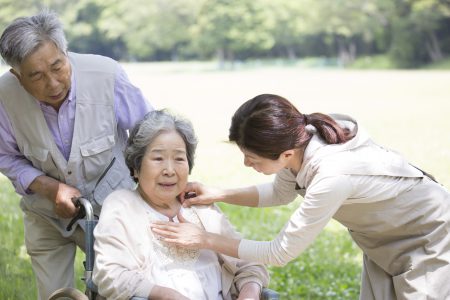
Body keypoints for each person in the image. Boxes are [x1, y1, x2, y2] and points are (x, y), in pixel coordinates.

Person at [151, 94, 450, 299]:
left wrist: (204, 239)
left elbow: (279, 252)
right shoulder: (300, 142)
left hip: (428, 238)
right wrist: (219, 193)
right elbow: (280, 192)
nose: (246, 164)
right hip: (384, 240)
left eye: (251, 157)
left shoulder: (333, 175)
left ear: (286, 154)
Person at [0, 10, 153, 299]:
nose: (53, 83)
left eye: (58, 66)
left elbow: (152, 134)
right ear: (17, 76)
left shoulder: (106, 74)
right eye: (36, 76)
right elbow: (5, 156)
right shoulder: (3, 96)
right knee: (55, 296)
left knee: (121, 291)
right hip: (45, 215)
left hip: (113, 211)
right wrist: (48, 187)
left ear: (65, 52)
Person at [92, 109, 269, 300]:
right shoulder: (122, 206)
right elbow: (110, 275)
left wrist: (249, 291)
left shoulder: (199, 205)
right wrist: (167, 295)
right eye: (158, 158)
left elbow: (248, 261)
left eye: (179, 159)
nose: (169, 170)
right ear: (136, 167)